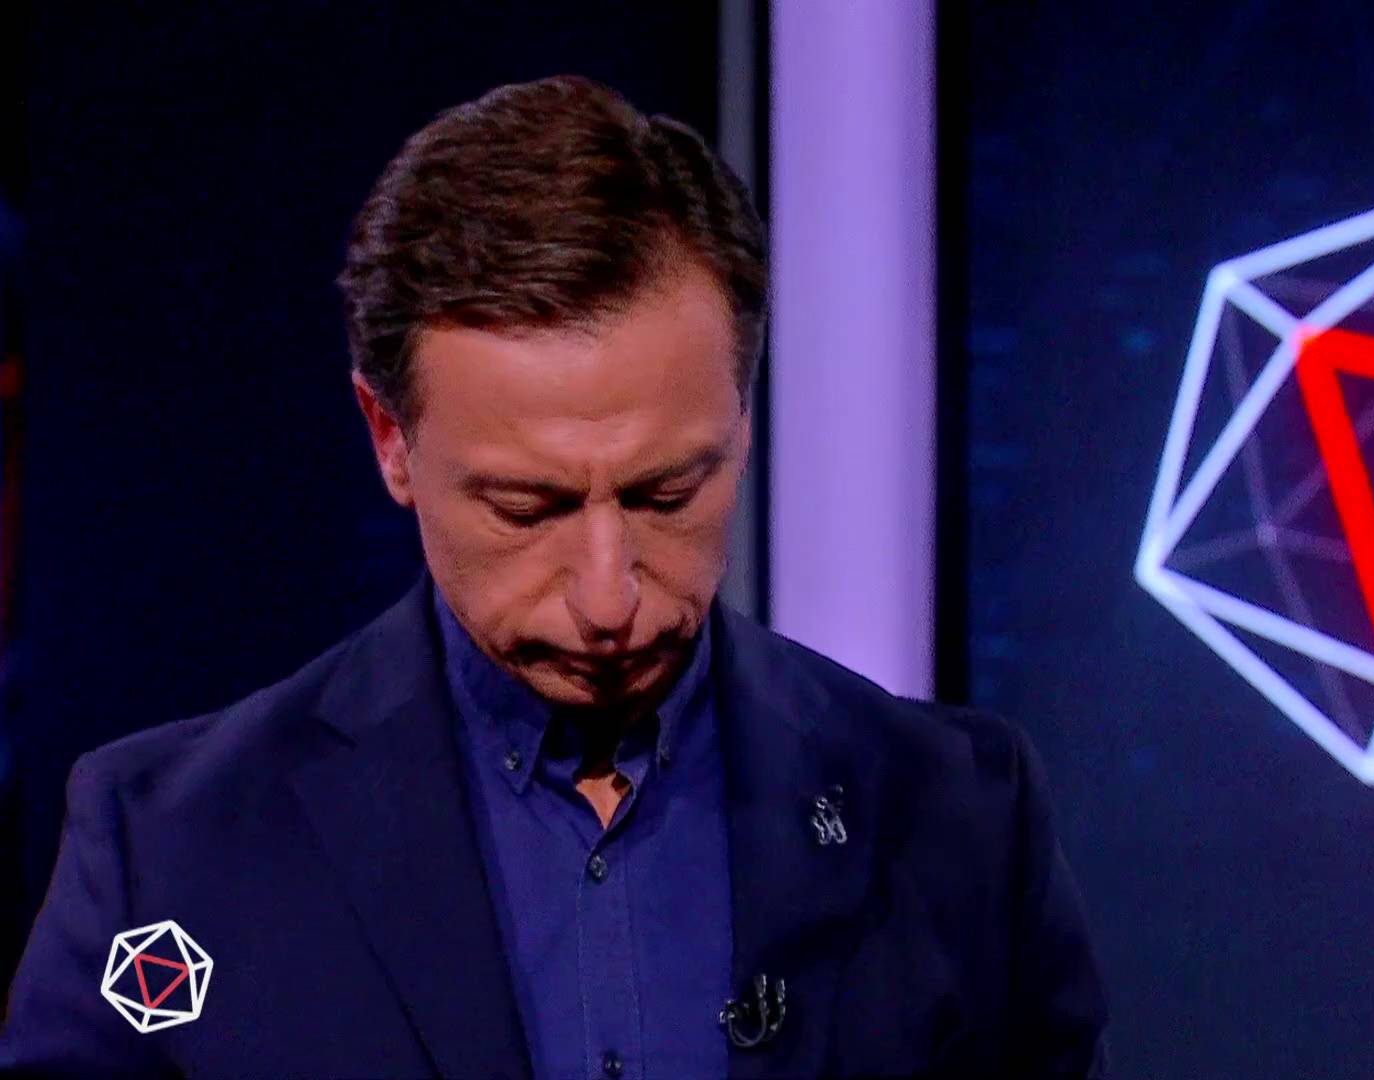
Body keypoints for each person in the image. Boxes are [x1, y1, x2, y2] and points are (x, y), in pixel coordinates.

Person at [0, 75, 1108, 1078]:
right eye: (527, 508)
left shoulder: (960, 818)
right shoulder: (168, 850)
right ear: (389, 439)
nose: (608, 598)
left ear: (742, 421)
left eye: (667, 493)